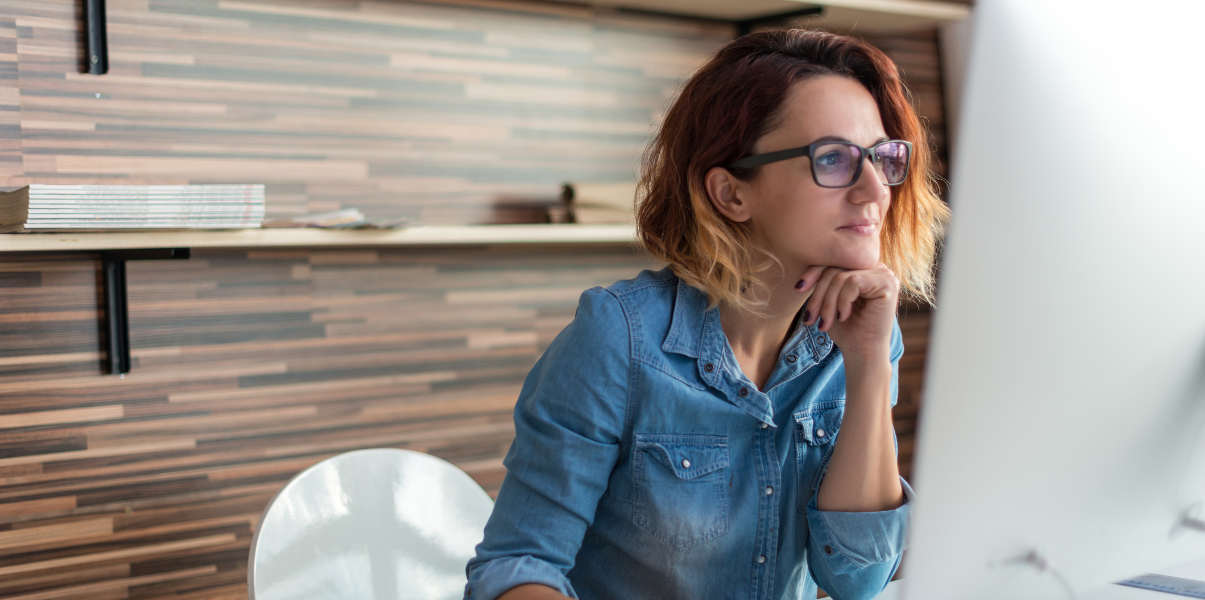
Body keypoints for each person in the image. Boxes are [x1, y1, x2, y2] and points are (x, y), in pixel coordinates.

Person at [464, 28, 950, 600]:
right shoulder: (618, 339)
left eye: (881, 157)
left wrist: (869, 363)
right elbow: (517, 566)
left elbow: (857, 579)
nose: (875, 190)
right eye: (834, 159)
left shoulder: (863, 336)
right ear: (730, 193)